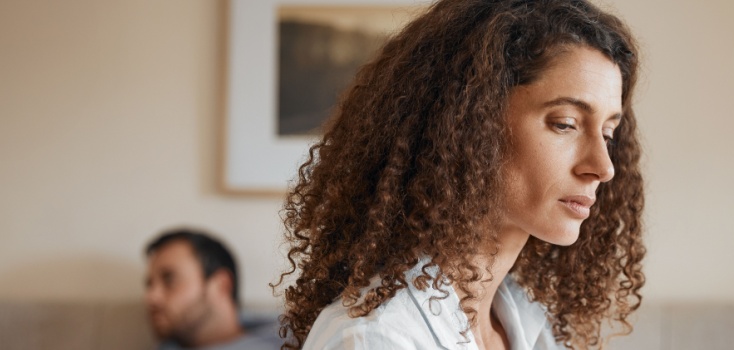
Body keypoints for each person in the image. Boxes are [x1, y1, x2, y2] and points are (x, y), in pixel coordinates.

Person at [274, 0, 646, 349]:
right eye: (565, 124)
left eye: (608, 134)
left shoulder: (531, 326)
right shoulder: (376, 338)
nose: (604, 167)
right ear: (471, 123)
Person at [144, 228, 281, 349]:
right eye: (149, 285)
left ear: (221, 285)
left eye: (169, 280)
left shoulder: (286, 341)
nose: (152, 297)